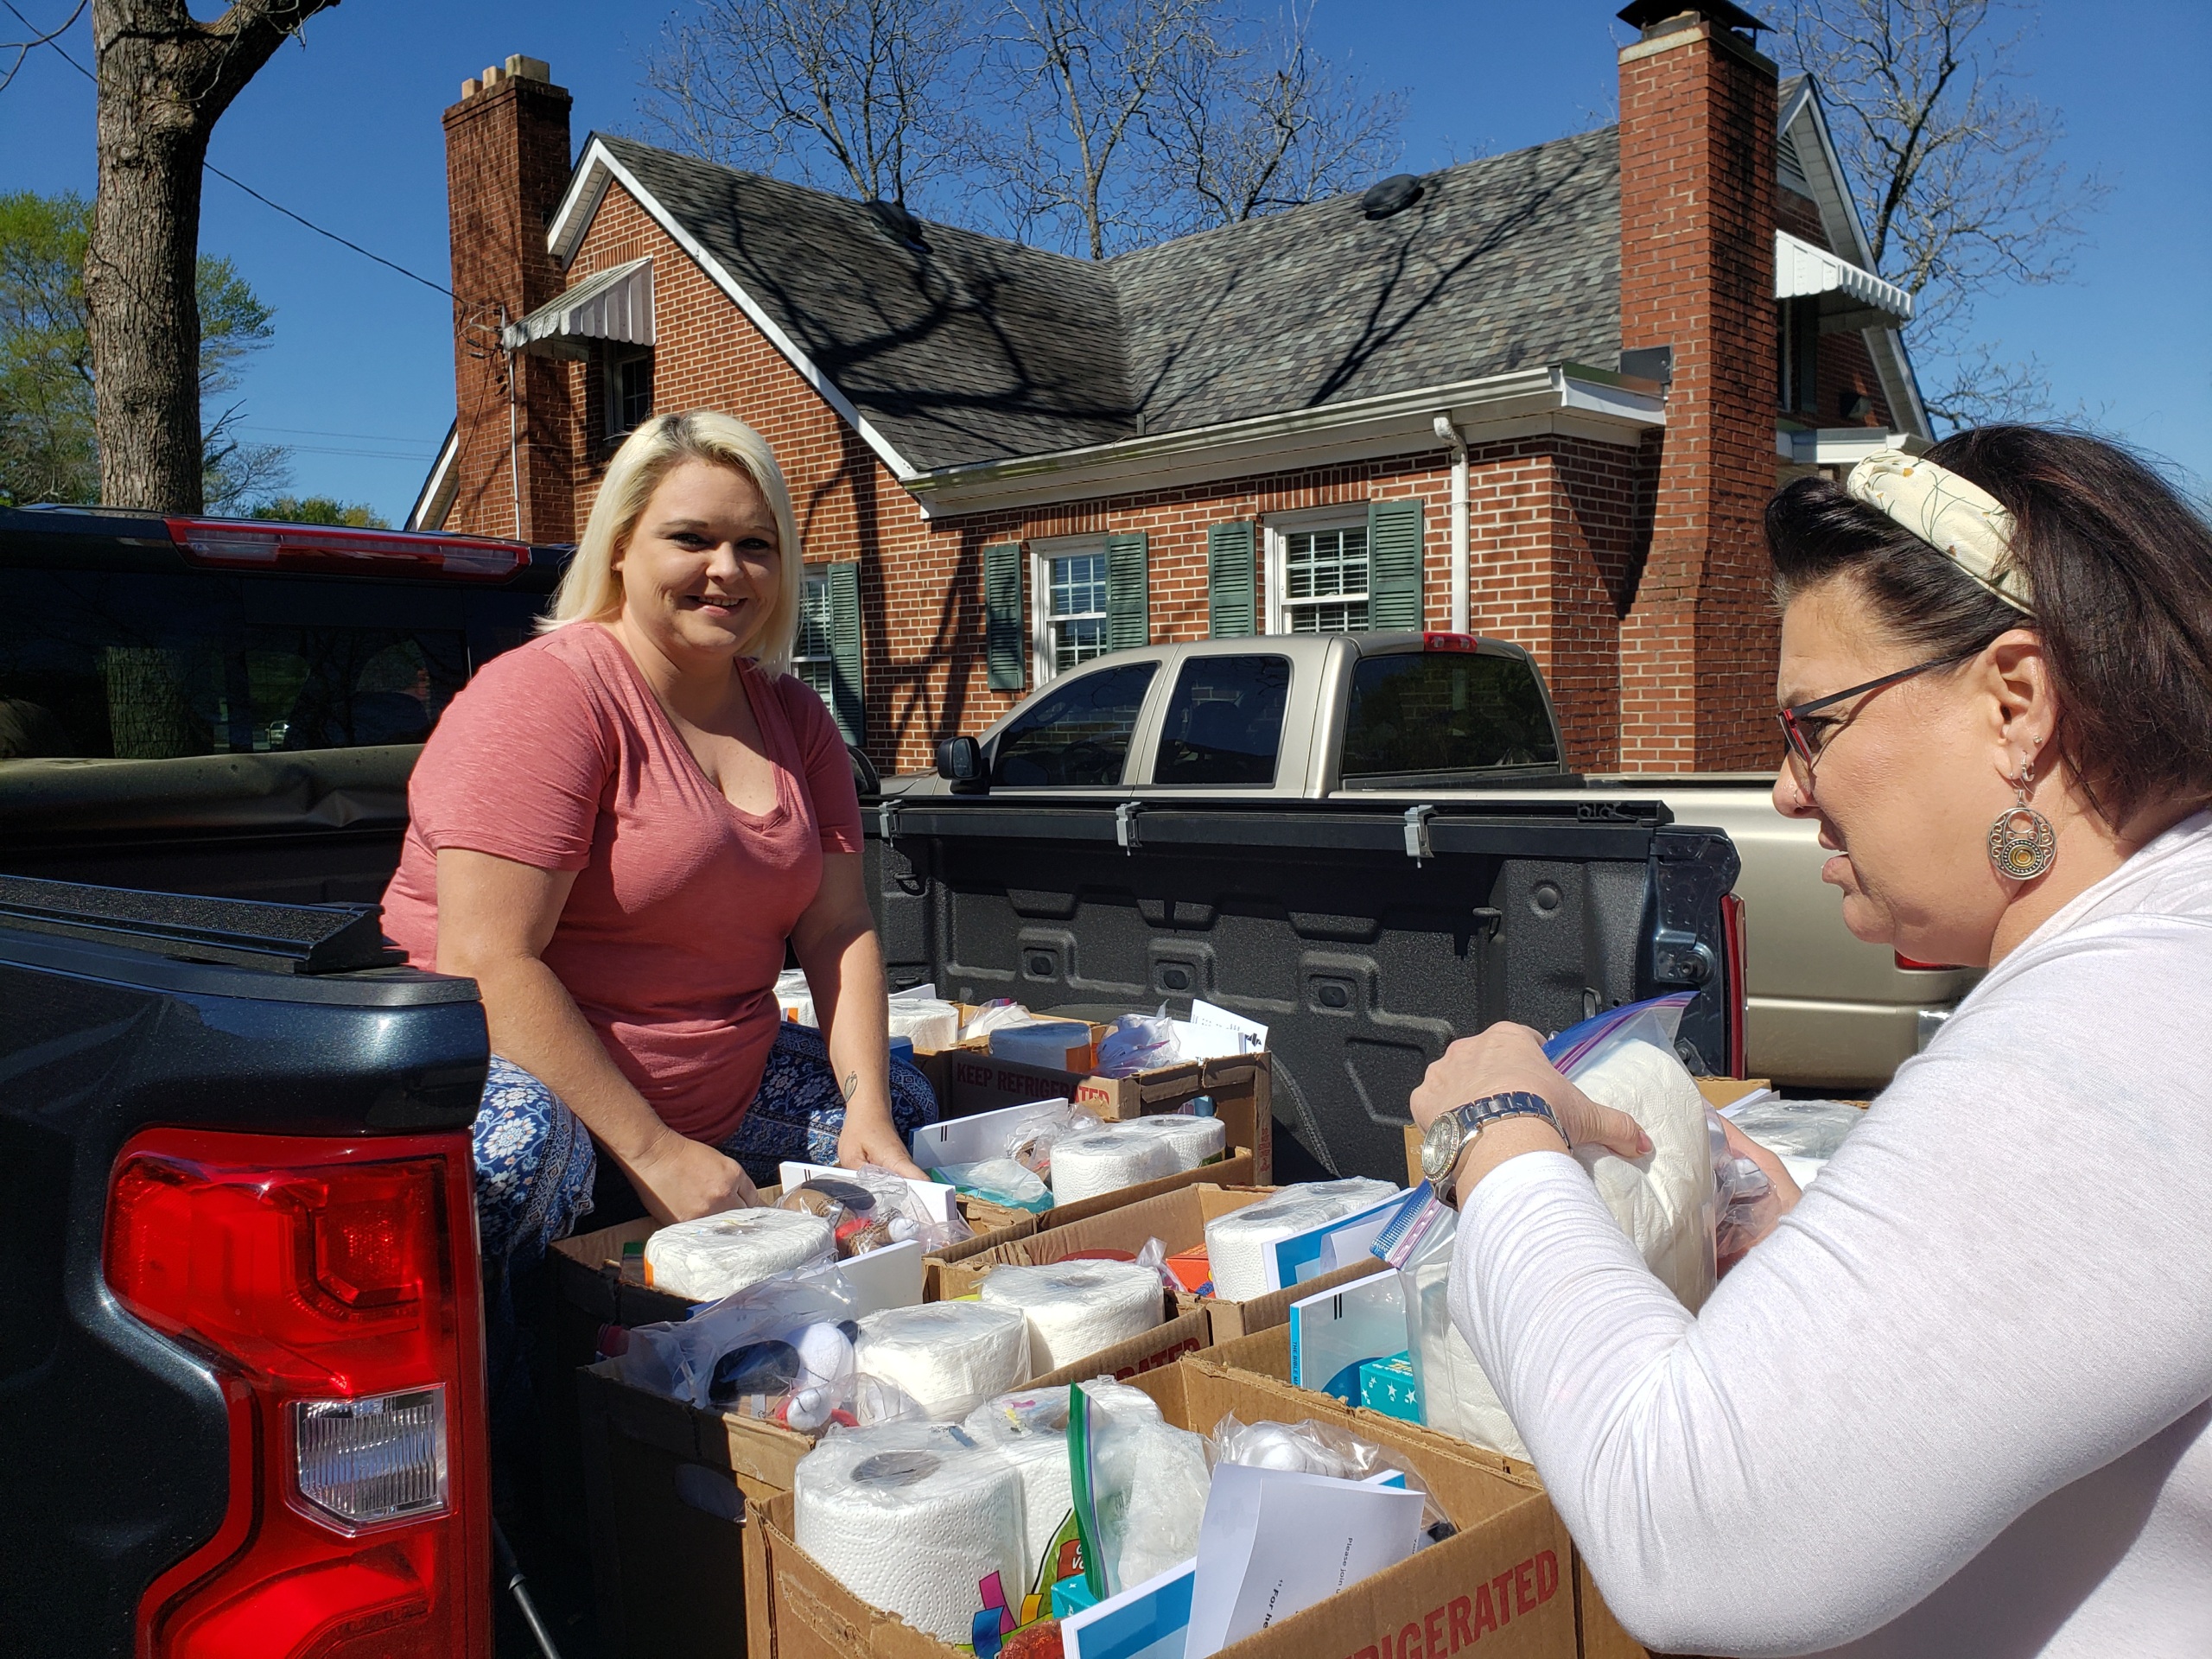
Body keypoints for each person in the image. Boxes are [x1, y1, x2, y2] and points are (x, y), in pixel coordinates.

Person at [1409, 426, 2212, 1656]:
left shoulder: (2118, 1025)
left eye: (1813, 724)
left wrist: (1498, 1139)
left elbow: (1691, 1536)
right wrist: (1810, 1256)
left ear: (2017, 702)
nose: (1789, 789)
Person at [380, 410, 937, 1307]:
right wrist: (654, 1155)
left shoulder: (795, 719)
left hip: (719, 1086)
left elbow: (838, 927)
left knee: (904, 1108)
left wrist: (866, 1109)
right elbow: (486, 960)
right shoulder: (548, 696)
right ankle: (523, 1428)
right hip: (537, 1089)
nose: (728, 569)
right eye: (692, 538)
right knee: (516, 1158)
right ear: (620, 549)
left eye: (756, 544)